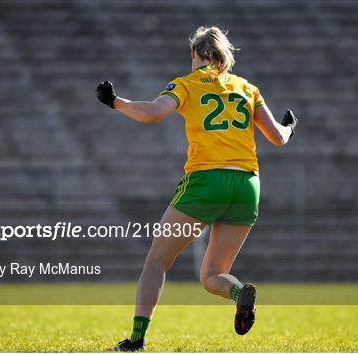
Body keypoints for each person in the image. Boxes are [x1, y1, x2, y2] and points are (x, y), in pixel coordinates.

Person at [96, 26, 297, 352]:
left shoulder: (187, 83)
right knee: (213, 274)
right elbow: (277, 137)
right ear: (224, 55)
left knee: (157, 261)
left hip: (207, 181)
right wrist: (290, 126)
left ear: (195, 54)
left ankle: (136, 339)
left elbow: (152, 113)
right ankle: (238, 293)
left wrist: (115, 102)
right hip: (247, 184)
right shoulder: (247, 87)